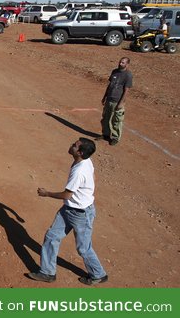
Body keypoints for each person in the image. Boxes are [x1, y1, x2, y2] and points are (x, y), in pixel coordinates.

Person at [28, 138, 109, 286]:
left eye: (75, 145)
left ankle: (98, 274)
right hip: (70, 209)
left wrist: (47, 194)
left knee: (83, 248)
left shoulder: (79, 171)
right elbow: (93, 177)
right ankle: (47, 273)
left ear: (80, 152)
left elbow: (67, 195)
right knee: (52, 236)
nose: (71, 145)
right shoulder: (85, 161)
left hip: (80, 214)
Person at [100, 57, 133, 146]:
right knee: (105, 118)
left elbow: (126, 90)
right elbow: (110, 85)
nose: (120, 64)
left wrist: (121, 103)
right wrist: (104, 97)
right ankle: (106, 135)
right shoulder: (114, 71)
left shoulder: (128, 75)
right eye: (120, 62)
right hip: (109, 99)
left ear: (127, 64)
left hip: (117, 100)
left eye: (123, 63)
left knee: (116, 120)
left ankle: (115, 138)